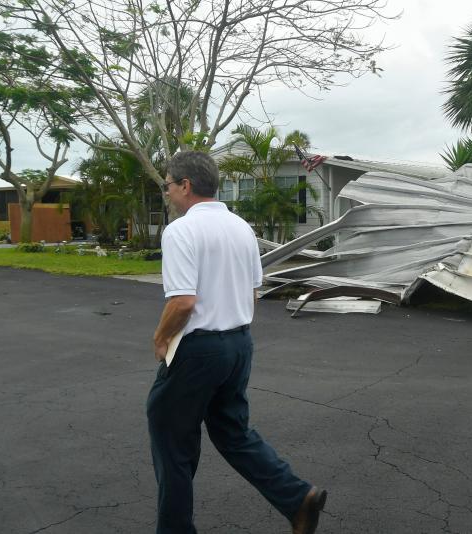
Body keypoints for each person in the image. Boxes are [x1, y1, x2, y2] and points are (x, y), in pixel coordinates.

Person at [148, 151, 326, 534]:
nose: (166, 193)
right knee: (232, 432)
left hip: (198, 349)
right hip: (238, 344)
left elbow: (183, 301)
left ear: (185, 185)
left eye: (167, 185)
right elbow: (253, 294)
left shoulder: (180, 230)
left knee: (171, 438)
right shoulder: (240, 228)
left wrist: (161, 339)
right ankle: (297, 498)